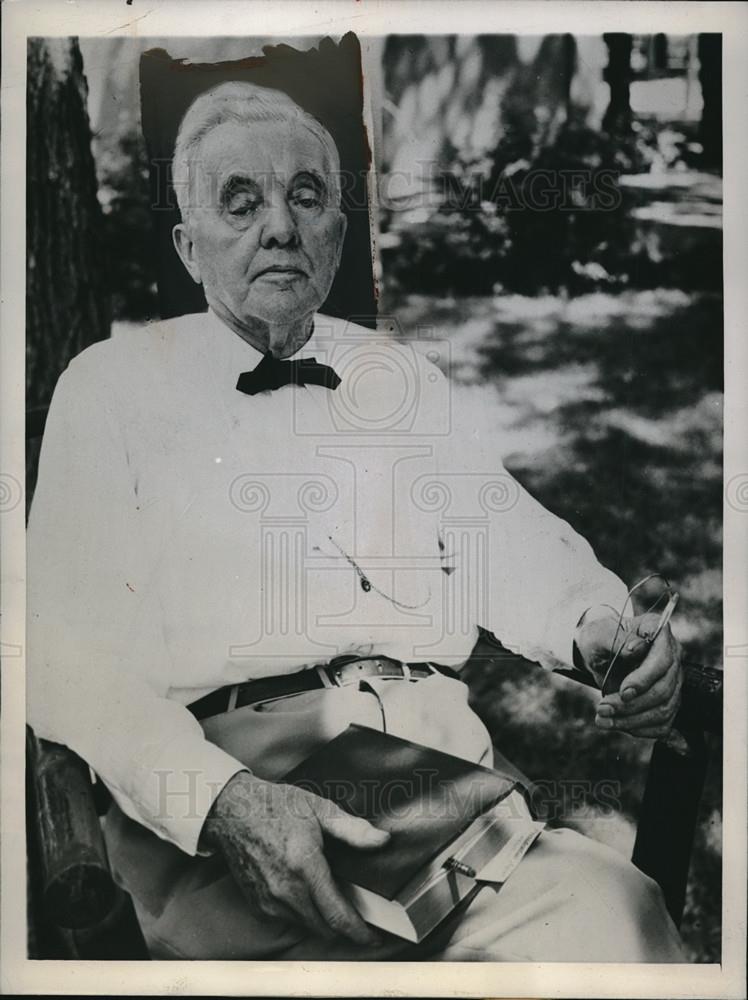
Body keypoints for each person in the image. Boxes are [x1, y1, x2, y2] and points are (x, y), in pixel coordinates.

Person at [27, 81, 686, 962]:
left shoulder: (402, 379)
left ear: (341, 227)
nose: (281, 226)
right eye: (241, 201)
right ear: (188, 247)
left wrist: (602, 631)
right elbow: (60, 656)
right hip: (230, 835)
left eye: (308, 196)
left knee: (618, 924)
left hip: (445, 808)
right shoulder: (109, 389)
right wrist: (223, 803)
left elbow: (511, 542)